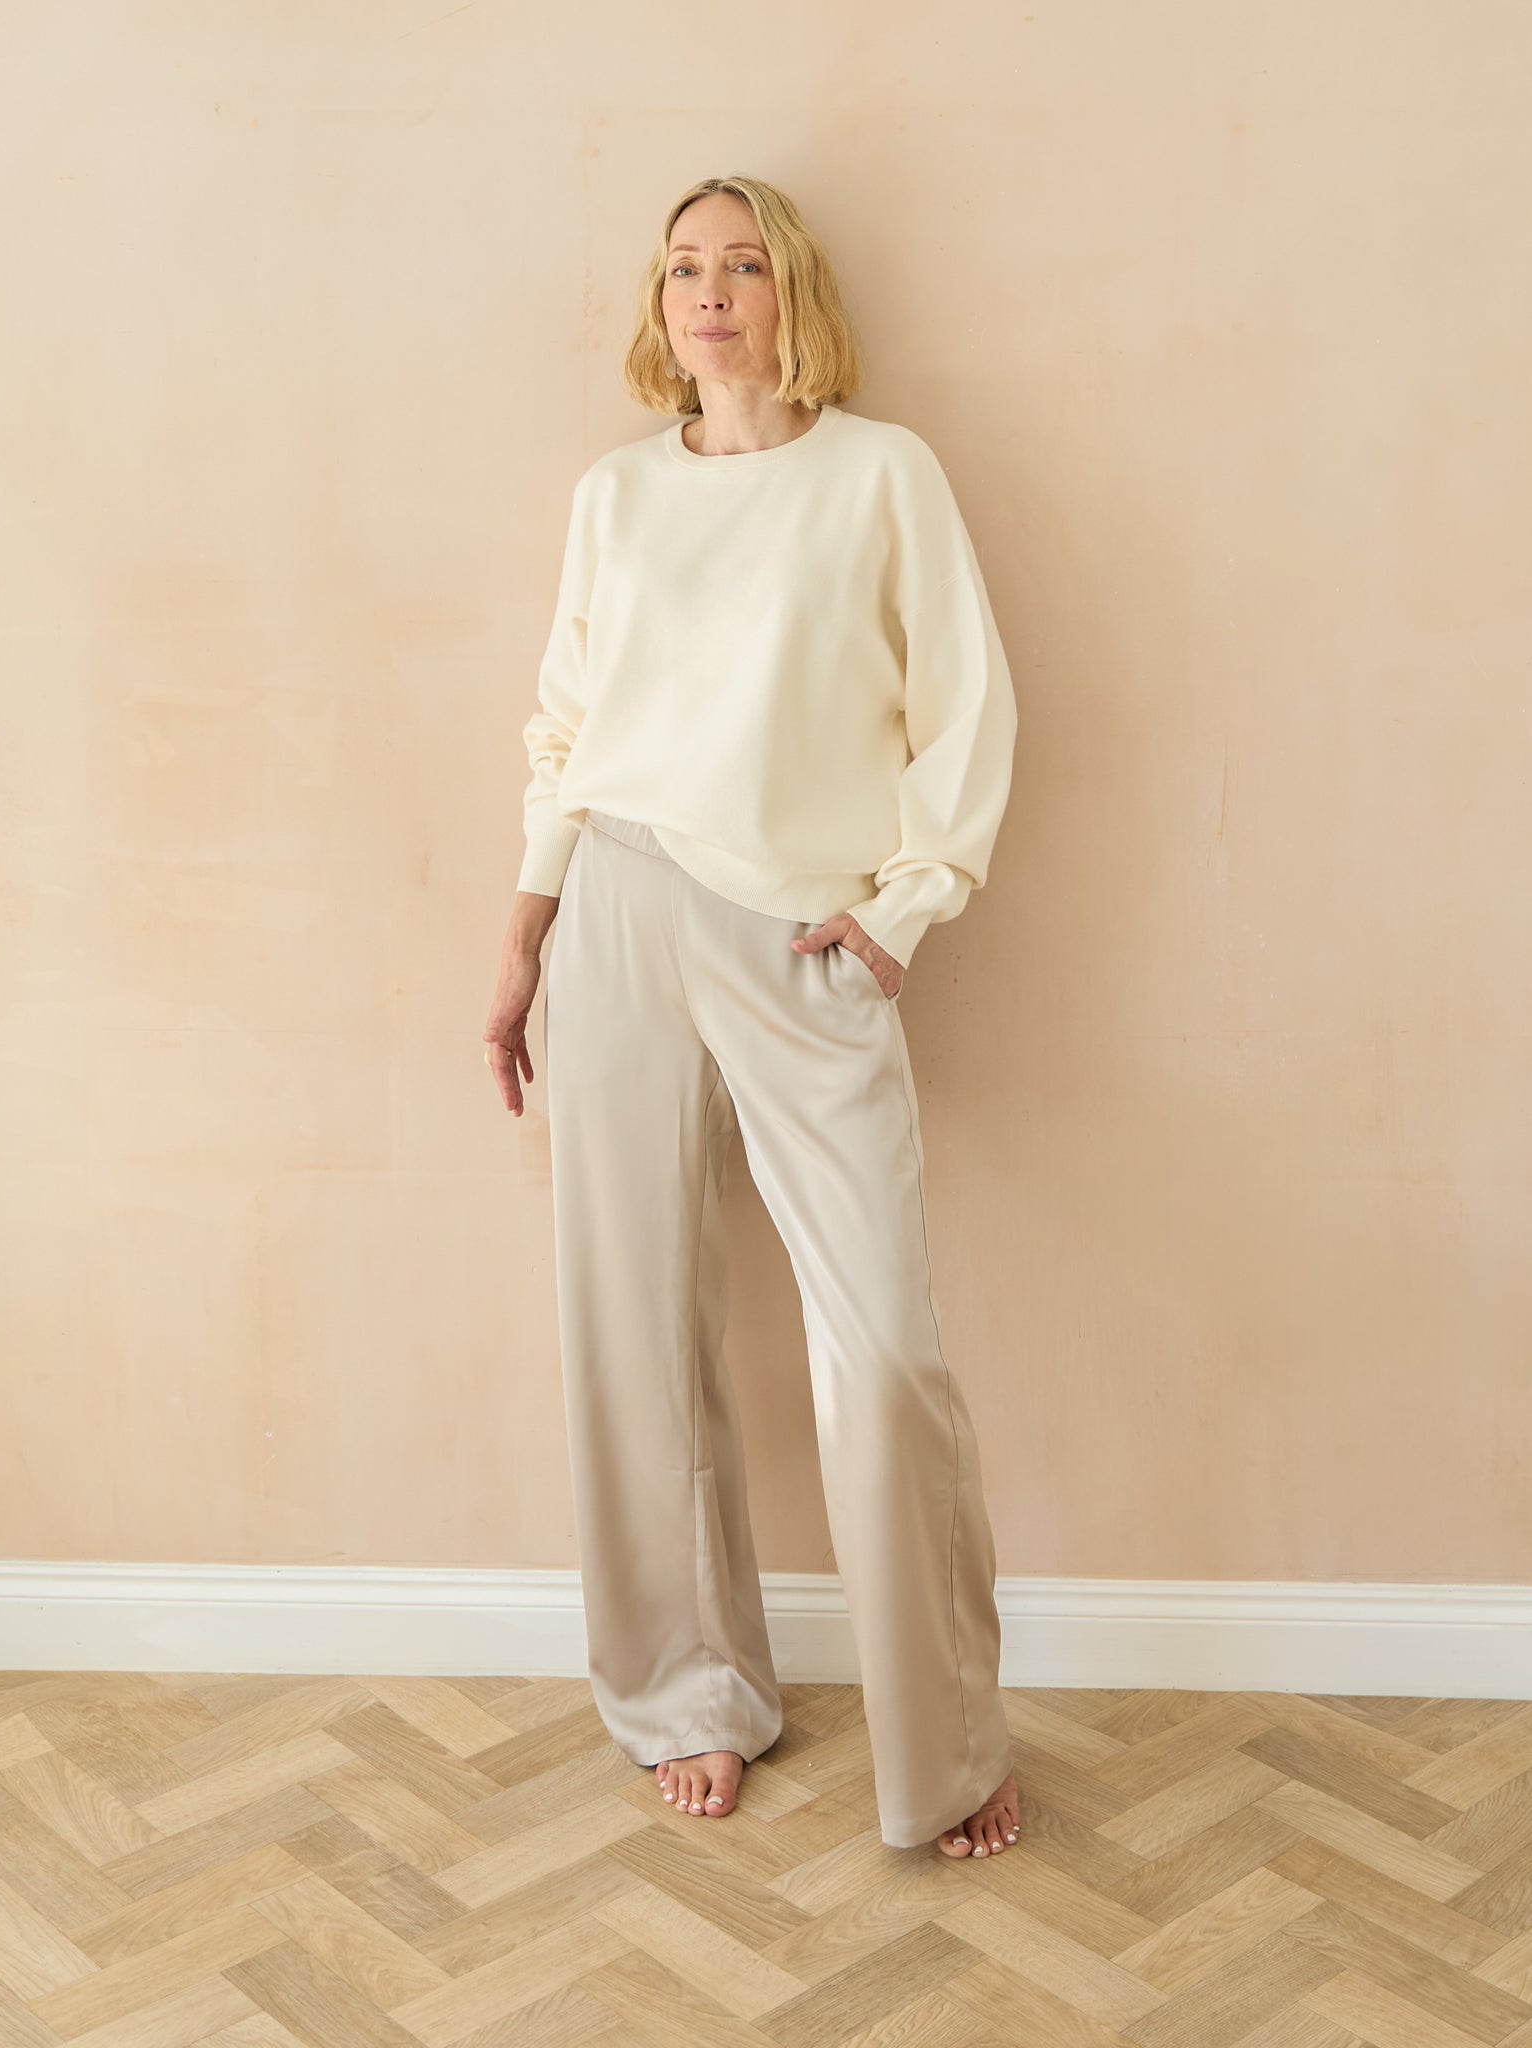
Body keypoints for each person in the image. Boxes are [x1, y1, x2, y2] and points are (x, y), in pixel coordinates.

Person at [483, 174, 1022, 1861]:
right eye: (681, 269)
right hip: (618, 906)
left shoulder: (881, 474)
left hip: (805, 937)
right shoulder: (617, 495)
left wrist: (900, 913)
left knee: (883, 1345)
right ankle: (685, 1696)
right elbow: (565, 726)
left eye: (741, 265)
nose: (708, 292)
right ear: (659, 306)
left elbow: (965, 711)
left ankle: (945, 1751)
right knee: (630, 1319)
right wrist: (526, 930)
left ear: (793, 292)